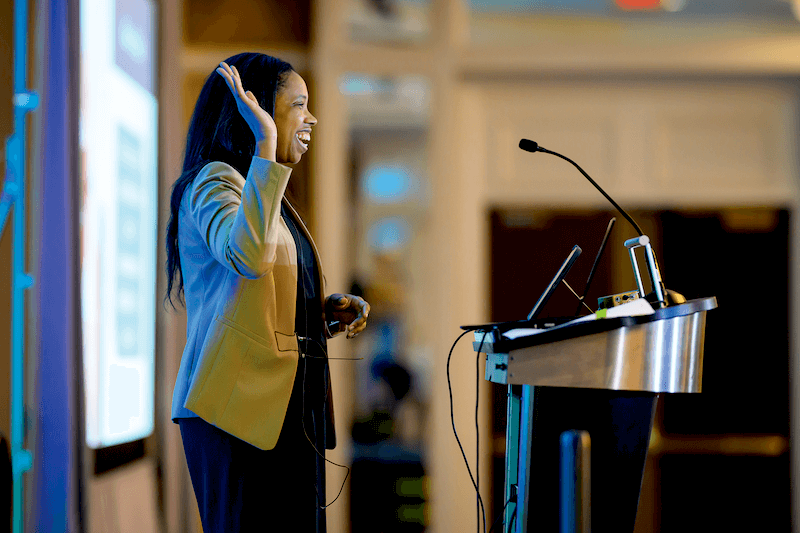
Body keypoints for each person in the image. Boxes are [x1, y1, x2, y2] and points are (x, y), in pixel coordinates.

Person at [165, 52, 370, 532]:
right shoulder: (213, 183)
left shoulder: (265, 193)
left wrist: (322, 312)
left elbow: (258, 295)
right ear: (253, 112)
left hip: (286, 411)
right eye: (298, 105)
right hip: (235, 412)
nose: (311, 118)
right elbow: (249, 258)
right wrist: (266, 144)